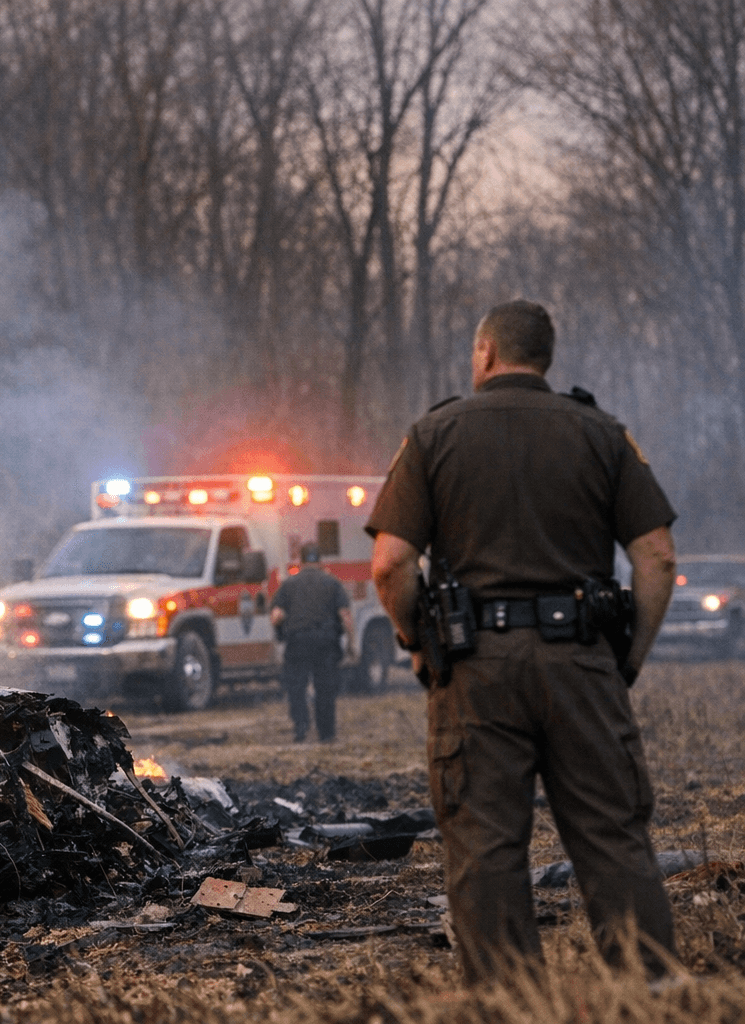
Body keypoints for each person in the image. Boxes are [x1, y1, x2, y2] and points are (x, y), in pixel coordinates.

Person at [367, 299, 677, 983]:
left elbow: (390, 563)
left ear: (484, 353)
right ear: (544, 358)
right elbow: (656, 557)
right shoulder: (602, 433)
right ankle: (653, 989)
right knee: (611, 834)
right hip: (583, 663)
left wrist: (418, 642)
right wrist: (625, 658)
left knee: (484, 846)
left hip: (475, 673)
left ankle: (509, 1000)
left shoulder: (432, 435)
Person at [270, 543, 356, 742]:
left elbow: (277, 616)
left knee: (297, 688)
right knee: (325, 689)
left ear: (300, 562)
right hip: (326, 643)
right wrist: (352, 645)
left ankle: (301, 727)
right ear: (320, 561)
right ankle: (326, 734)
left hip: (298, 643)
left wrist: (280, 635)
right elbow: (345, 616)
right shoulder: (332, 584)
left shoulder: (289, 585)